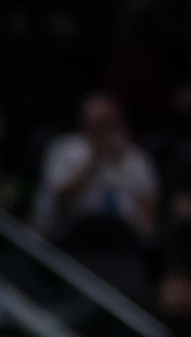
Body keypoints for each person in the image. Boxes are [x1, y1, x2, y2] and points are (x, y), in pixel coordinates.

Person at [34, 93, 158, 238]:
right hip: (72, 237)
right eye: (98, 125)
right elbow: (59, 204)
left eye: (109, 123)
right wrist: (94, 162)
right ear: (85, 123)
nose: (104, 132)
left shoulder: (136, 157)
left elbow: (149, 212)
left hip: (124, 239)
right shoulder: (64, 150)